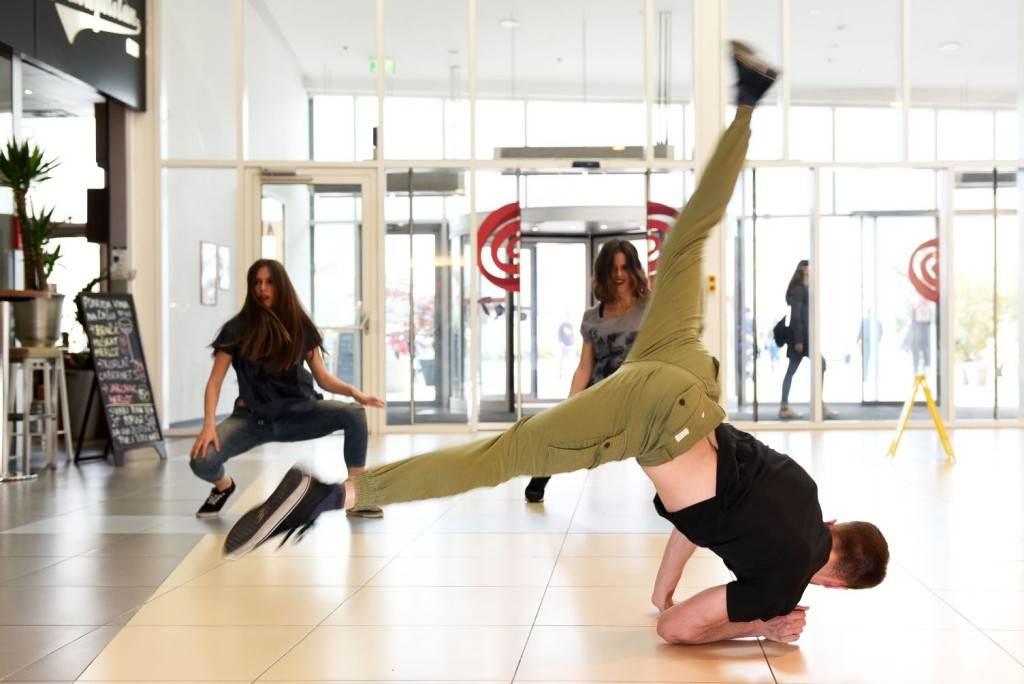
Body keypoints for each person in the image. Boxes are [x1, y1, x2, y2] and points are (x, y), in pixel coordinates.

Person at [224, 42, 889, 645]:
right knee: (500, 455)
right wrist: (763, 627)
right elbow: (681, 631)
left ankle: (747, 103)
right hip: (656, 416)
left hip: (687, 373)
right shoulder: (783, 585)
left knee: (689, 234)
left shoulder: (806, 493)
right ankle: (333, 496)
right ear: (832, 583)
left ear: (838, 529)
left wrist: (659, 589)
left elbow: (702, 521)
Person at [189, 259, 386, 519]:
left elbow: (323, 378)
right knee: (201, 461)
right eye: (257, 283)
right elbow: (215, 381)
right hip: (253, 420)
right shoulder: (236, 330)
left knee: (354, 414)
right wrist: (209, 425)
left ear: (281, 286)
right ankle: (224, 487)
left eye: (269, 282)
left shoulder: (300, 327)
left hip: (300, 415)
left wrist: (353, 392)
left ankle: (358, 496)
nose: (262, 288)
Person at [525, 239, 650, 503]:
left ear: (633, 270)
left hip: (639, 392)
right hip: (601, 393)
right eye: (613, 268)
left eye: (625, 267)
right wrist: (571, 402)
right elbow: (585, 366)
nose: (618, 274)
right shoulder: (593, 316)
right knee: (564, 430)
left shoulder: (649, 308)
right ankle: (542, 475)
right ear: (603, 272)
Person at [778, 261, 836, 420]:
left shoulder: (804, 289)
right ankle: (809, 406)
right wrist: (798, 341)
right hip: (801, 339)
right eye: (810, 267)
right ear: (804, 269)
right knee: (811, 366)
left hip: (804, 338)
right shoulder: (798, 290)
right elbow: (796, 317)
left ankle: (795, 405)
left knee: (802, 368)